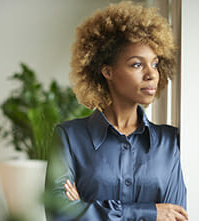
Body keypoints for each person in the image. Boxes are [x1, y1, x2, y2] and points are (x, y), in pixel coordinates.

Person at [48, 1, 188, 221]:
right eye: (137, 64)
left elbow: (176, 217)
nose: (151, 74)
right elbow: (61, 215)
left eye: (155, 63)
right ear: (107, 71)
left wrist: (86, 208)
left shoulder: (169, 142)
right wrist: (151, 212)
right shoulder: (69, 138)